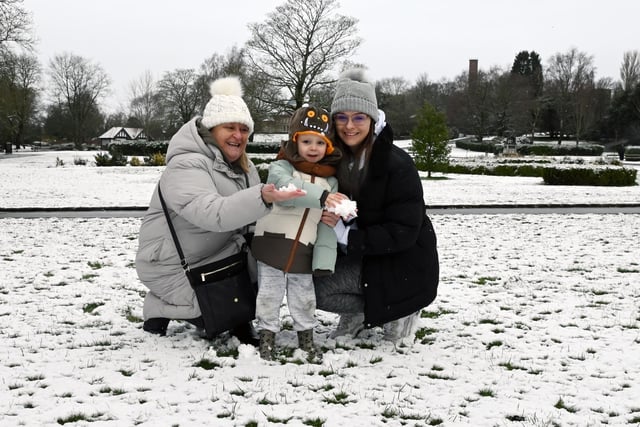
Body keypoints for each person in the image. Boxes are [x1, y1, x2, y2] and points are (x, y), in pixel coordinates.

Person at [135, 76, 304, 344]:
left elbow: (252, 221)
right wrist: (261, 196)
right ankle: (160, 305)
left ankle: (238, 311)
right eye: (229, 127)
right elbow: (213, 214)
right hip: (171, 264)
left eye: (244, 129)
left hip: (215, 253)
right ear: (212, 129)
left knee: (271, 263)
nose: (238, 136)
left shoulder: (243, 168)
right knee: (216, 313)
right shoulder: (186, 165)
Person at [314, 68, 439, 342]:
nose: (349, 126)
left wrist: (349, 236)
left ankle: (402, 309)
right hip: (366, 254)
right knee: (311, 286)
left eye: (358, 117)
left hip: (404, 261)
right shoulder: (335, 159)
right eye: (342, 118)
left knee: (321, 289)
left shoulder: (398, 165)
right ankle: (363, 310)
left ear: (372, 119)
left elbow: (403, 231)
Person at [251, 104, 344, 361]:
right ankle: (267, 335)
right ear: (295, 141)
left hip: (304, 250)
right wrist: (323, 196)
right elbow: (287, 189)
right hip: (273, 244)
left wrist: (324, 259)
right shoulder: (282, 167)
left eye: (319, 142)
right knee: (269, 293)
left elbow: (326, 223)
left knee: (304, 296)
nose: (313, 148)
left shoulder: (331, 180)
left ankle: (306, 337)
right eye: (306, 141)